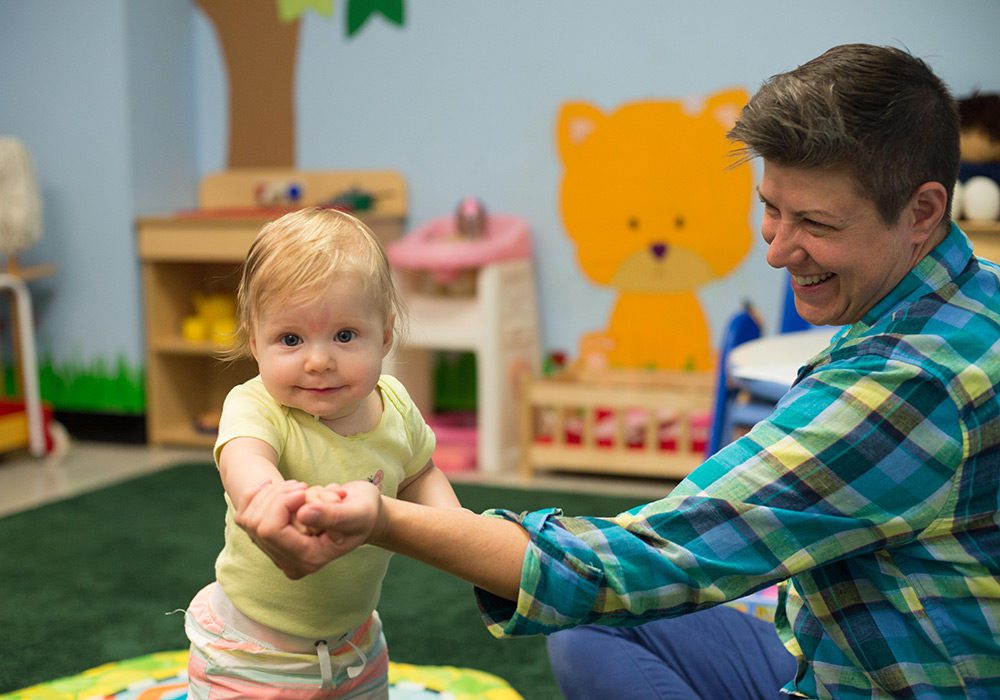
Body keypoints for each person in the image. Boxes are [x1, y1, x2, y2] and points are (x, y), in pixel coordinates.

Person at [249, 45, 1000, 699]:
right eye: (770, 208)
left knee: (598, 612)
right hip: (853, 642)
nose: (775, 248)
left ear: (924, 210)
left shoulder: (905, 385)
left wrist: (382, 519)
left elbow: (641, 561)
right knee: (593, 636)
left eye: (817, 224)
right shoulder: (978, 296)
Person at [183, 207, 462, 699]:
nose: (318, 360)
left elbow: (421, 474)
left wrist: (462, 533)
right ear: (254, 340)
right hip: (251, 656)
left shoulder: (395, 404)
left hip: (356, 648)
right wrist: (268, 498)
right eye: (290, 339)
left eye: (345, 335)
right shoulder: (256, 406)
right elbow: (244, 462)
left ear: (386, 334)